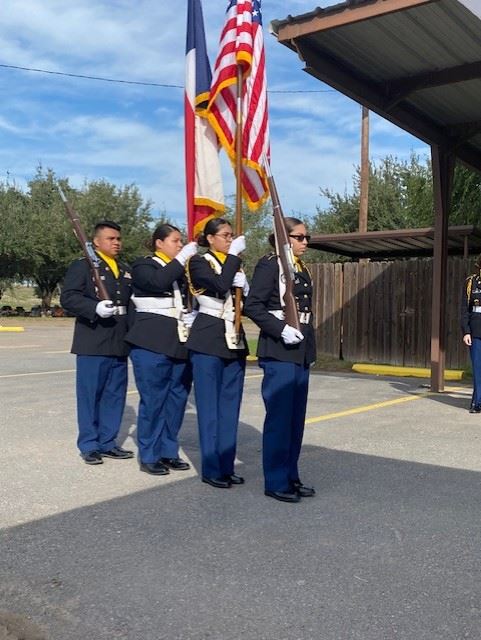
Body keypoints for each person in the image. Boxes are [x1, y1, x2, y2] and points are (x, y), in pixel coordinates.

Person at [244, 217, 316, 503]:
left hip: (299, 350)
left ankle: (291, 475)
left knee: (295, 420)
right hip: (279, 349)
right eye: (299, 237)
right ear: (283, 238)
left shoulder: (300, 268)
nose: (305, 242)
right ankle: (275, 481)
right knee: (279, 418)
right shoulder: (270, 264)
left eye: (306, 237)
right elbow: (253, 306)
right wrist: (281, 329)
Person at [125, 224, 198, 475]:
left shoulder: (181, 271)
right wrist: (181, 259)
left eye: (181, 242)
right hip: (151, 343)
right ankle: (150, 454)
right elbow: (157, 283)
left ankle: (169, 450)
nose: (180, 245)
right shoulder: (144, 265)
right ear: (159, 243)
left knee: (176, 400)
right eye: (175, 241)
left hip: (179, 341)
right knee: (154, 401)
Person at [60, 221, 134, 465]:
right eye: (111, 238)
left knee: (115, 395)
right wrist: (93, 307)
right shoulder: (83, 266)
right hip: (93, 340)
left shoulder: (124, 268)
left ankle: (107, 441)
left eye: (118, 239)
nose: (116, 242)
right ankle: (89, 444)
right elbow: (69, 297)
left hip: (119, 339)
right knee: (90, 395)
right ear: (97, 242)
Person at [186, 218, 249, 488]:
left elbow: (244, 300)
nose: (229, 239)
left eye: (231, 236)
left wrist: (245, 286)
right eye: (224, 235)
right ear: (210, 238)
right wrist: (234, 257)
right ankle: (212, 469)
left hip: (234, 339)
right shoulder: (199, 262)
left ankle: (226, 464)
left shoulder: (235, 265)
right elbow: (219, 286)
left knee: (229, 409)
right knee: (210, 409)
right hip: (208, 338)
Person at [461, 257, 481, 413]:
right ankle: (477, 401)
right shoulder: (470, 283)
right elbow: (465, 309)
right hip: (475, 332)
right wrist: (466, 331)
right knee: (477, 368)